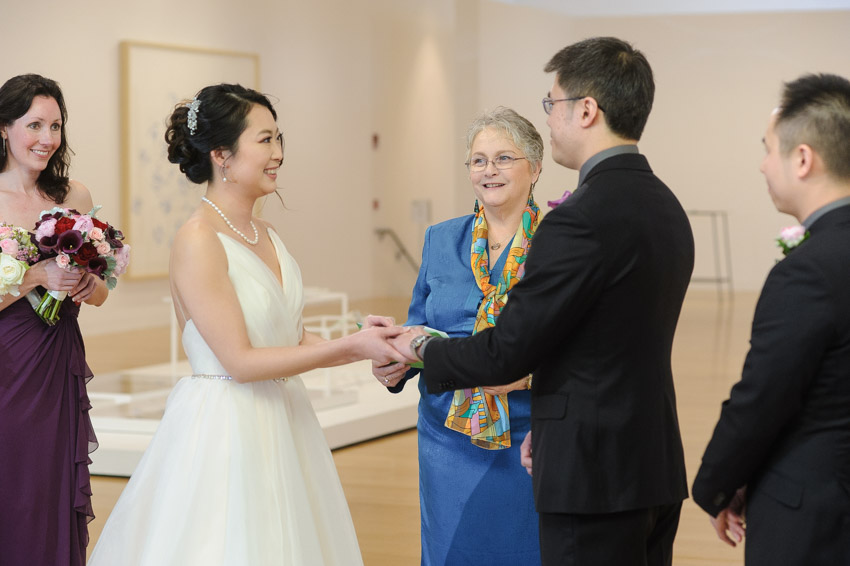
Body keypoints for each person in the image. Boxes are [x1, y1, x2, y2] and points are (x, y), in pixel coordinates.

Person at [389, 37, 694, 566]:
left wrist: (419, 349)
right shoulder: (664, 206)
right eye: (478, 160)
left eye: (551, 104)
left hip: (586, 466)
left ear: (586, 110)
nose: (549, 116)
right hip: (643, 460)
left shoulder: (576, 221)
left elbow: (508, 353)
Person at [88, 84, 403, 566]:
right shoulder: (197, 239)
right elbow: (239, 360)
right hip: (228, 427)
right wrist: (353, 349)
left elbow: (288, 338)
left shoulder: (266, 232)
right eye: (265, 140)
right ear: (222, 155)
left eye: (279, 139)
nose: (278, 154)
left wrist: (371, 345)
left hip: (285, 417)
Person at [371, 107, 543, 565]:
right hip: (445, 438)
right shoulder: (440, 239)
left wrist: (527, 379)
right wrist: (394, 362)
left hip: (526, 436)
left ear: (536, 167)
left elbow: (582, 347)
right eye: (478, 160)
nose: (489, 170)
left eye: (505, 158)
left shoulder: (560, 244)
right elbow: (417, 324)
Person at [692, 73, 850, 565]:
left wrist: (714, 486)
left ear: (802, 158)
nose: (762, 165)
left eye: (768, 149)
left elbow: (763, 399)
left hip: (816, 517)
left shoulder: (806, 271)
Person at [0, 74, 108, 566]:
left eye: (56, 126)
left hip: (56, 358)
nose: (47, 138)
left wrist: (90, 285)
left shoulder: (74, 196)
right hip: (6, 366)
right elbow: (35, 279)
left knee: (49, 481)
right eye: (34, 125)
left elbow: (103, 290)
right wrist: (32, 278)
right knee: (12, 482)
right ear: (4, 128)